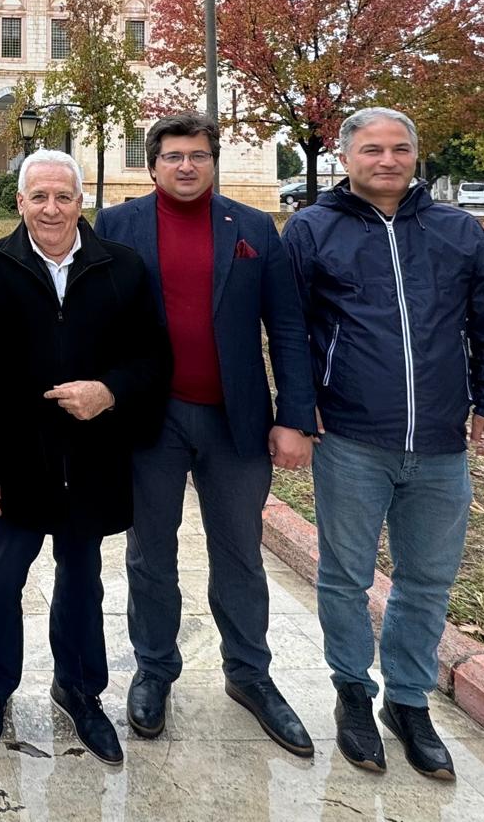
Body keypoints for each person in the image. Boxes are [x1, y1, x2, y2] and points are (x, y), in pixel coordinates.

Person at [284, 107, 484, 781]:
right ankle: (353, 694)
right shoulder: (312, 229)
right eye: (371, 149)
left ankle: (409, 701)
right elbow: (291, 331)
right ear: (345, 155)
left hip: (443, 442)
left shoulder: (458, 231)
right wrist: (300, 412)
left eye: (398, 149)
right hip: (353, 436)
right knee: (344, 574)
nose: (386, 160)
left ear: (415, 155)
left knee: (425, 579)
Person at [95, 114, 317, 756]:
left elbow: (289, 327)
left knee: (241, 555)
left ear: (213, 162)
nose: (185, 166)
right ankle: (155, 671)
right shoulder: (119, 226)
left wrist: (295, 416)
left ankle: (250, 675)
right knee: (150, 555)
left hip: (235, 419)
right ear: (153, 163)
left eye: (197, 155)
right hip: (150, 418)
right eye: (172, 156)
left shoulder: (251, 229)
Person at [0, 150, 169, 766]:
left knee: (80, 581)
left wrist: (108, 392)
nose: (51, 209)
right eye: (39, 197)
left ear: (82, 203)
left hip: (91, 456)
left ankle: (79, 690)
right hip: (18, 458)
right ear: (19, 202)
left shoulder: (122, 269)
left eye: (63, 197)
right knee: (0, 581)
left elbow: (151, 359)